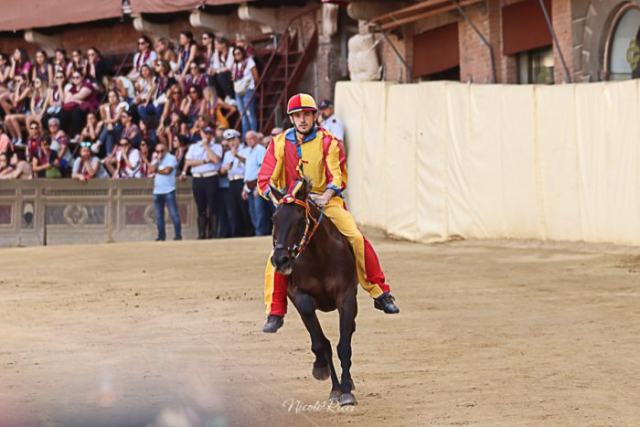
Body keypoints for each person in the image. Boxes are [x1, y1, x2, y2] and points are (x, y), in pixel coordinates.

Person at [258, 93, 400, 333]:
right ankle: (275, 311)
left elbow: (337, 176)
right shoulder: (278, 143)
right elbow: (265, 179)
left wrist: (325, 196)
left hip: (326, 201)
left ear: (314, 116)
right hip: (292, 203)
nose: (302, 120)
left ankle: (380, 293)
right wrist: (278, 200)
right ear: (291, 119)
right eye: (297, 116)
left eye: (306, 115)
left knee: (355, 237)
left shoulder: (330, 142)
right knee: (277, 253)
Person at [183, 126, 222, 239]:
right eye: (205, 134)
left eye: (209, 134)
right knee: (201, 206)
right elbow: (188, 162)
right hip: (197, 177)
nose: (207, 136)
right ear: (201, 134)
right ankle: (201, 234)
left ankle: (214, 234)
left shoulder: (216, 146)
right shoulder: (194, 147)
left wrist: (206, 147)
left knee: (213, 206)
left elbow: (215, 160)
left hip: (210, 176)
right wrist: (204, 161)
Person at [221, 129, 253, 237]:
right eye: (229, 140)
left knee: (244, 207)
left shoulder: (246, 150)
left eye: (233, 140)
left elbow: (249, 163)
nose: (232, 143)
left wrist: (237, 156)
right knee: (234, 208)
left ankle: (249, 231)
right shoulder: (227, 154)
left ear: (238, 139)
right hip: (232, 181)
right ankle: (237, 232)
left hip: (242, 180)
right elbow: (222, 170)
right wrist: (226, 168)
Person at [148, 143, 182, 241]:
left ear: (166, 150)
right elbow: (150, 170)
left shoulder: (171, 158)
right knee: (159, 216)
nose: (160, 153)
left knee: (173, 214)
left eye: (162, 151)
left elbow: (168, 171)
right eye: (157, 151)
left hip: (169, 190)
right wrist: (158, 162)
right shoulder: (156, 160)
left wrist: (157, 171)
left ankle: (178, 235)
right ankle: (161, 236)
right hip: (157, 191)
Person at [242, 130, 270, 236]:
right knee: (252, 211)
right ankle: (257, 231)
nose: (249, 141)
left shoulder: (260, 150)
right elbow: (248, 171)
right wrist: (244, 188)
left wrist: (259, 187)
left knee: (259, 210)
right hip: (249, 184)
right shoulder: (248, 151)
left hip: (257, 185)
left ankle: (260, 232)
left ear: (256, 139)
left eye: (251, 138)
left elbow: (264, 169)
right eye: (247, 139)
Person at [232, 46, 259, 136]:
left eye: (238, 53)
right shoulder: (235, 65)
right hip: (238, 91)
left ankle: (253, 134)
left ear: (243, 53)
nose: (237, 56)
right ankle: (245, 137)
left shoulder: (249, 61)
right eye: (235, 54)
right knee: (242, 115)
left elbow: (255, 75)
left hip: (248, 89)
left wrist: (254, 87)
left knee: (250, 113)